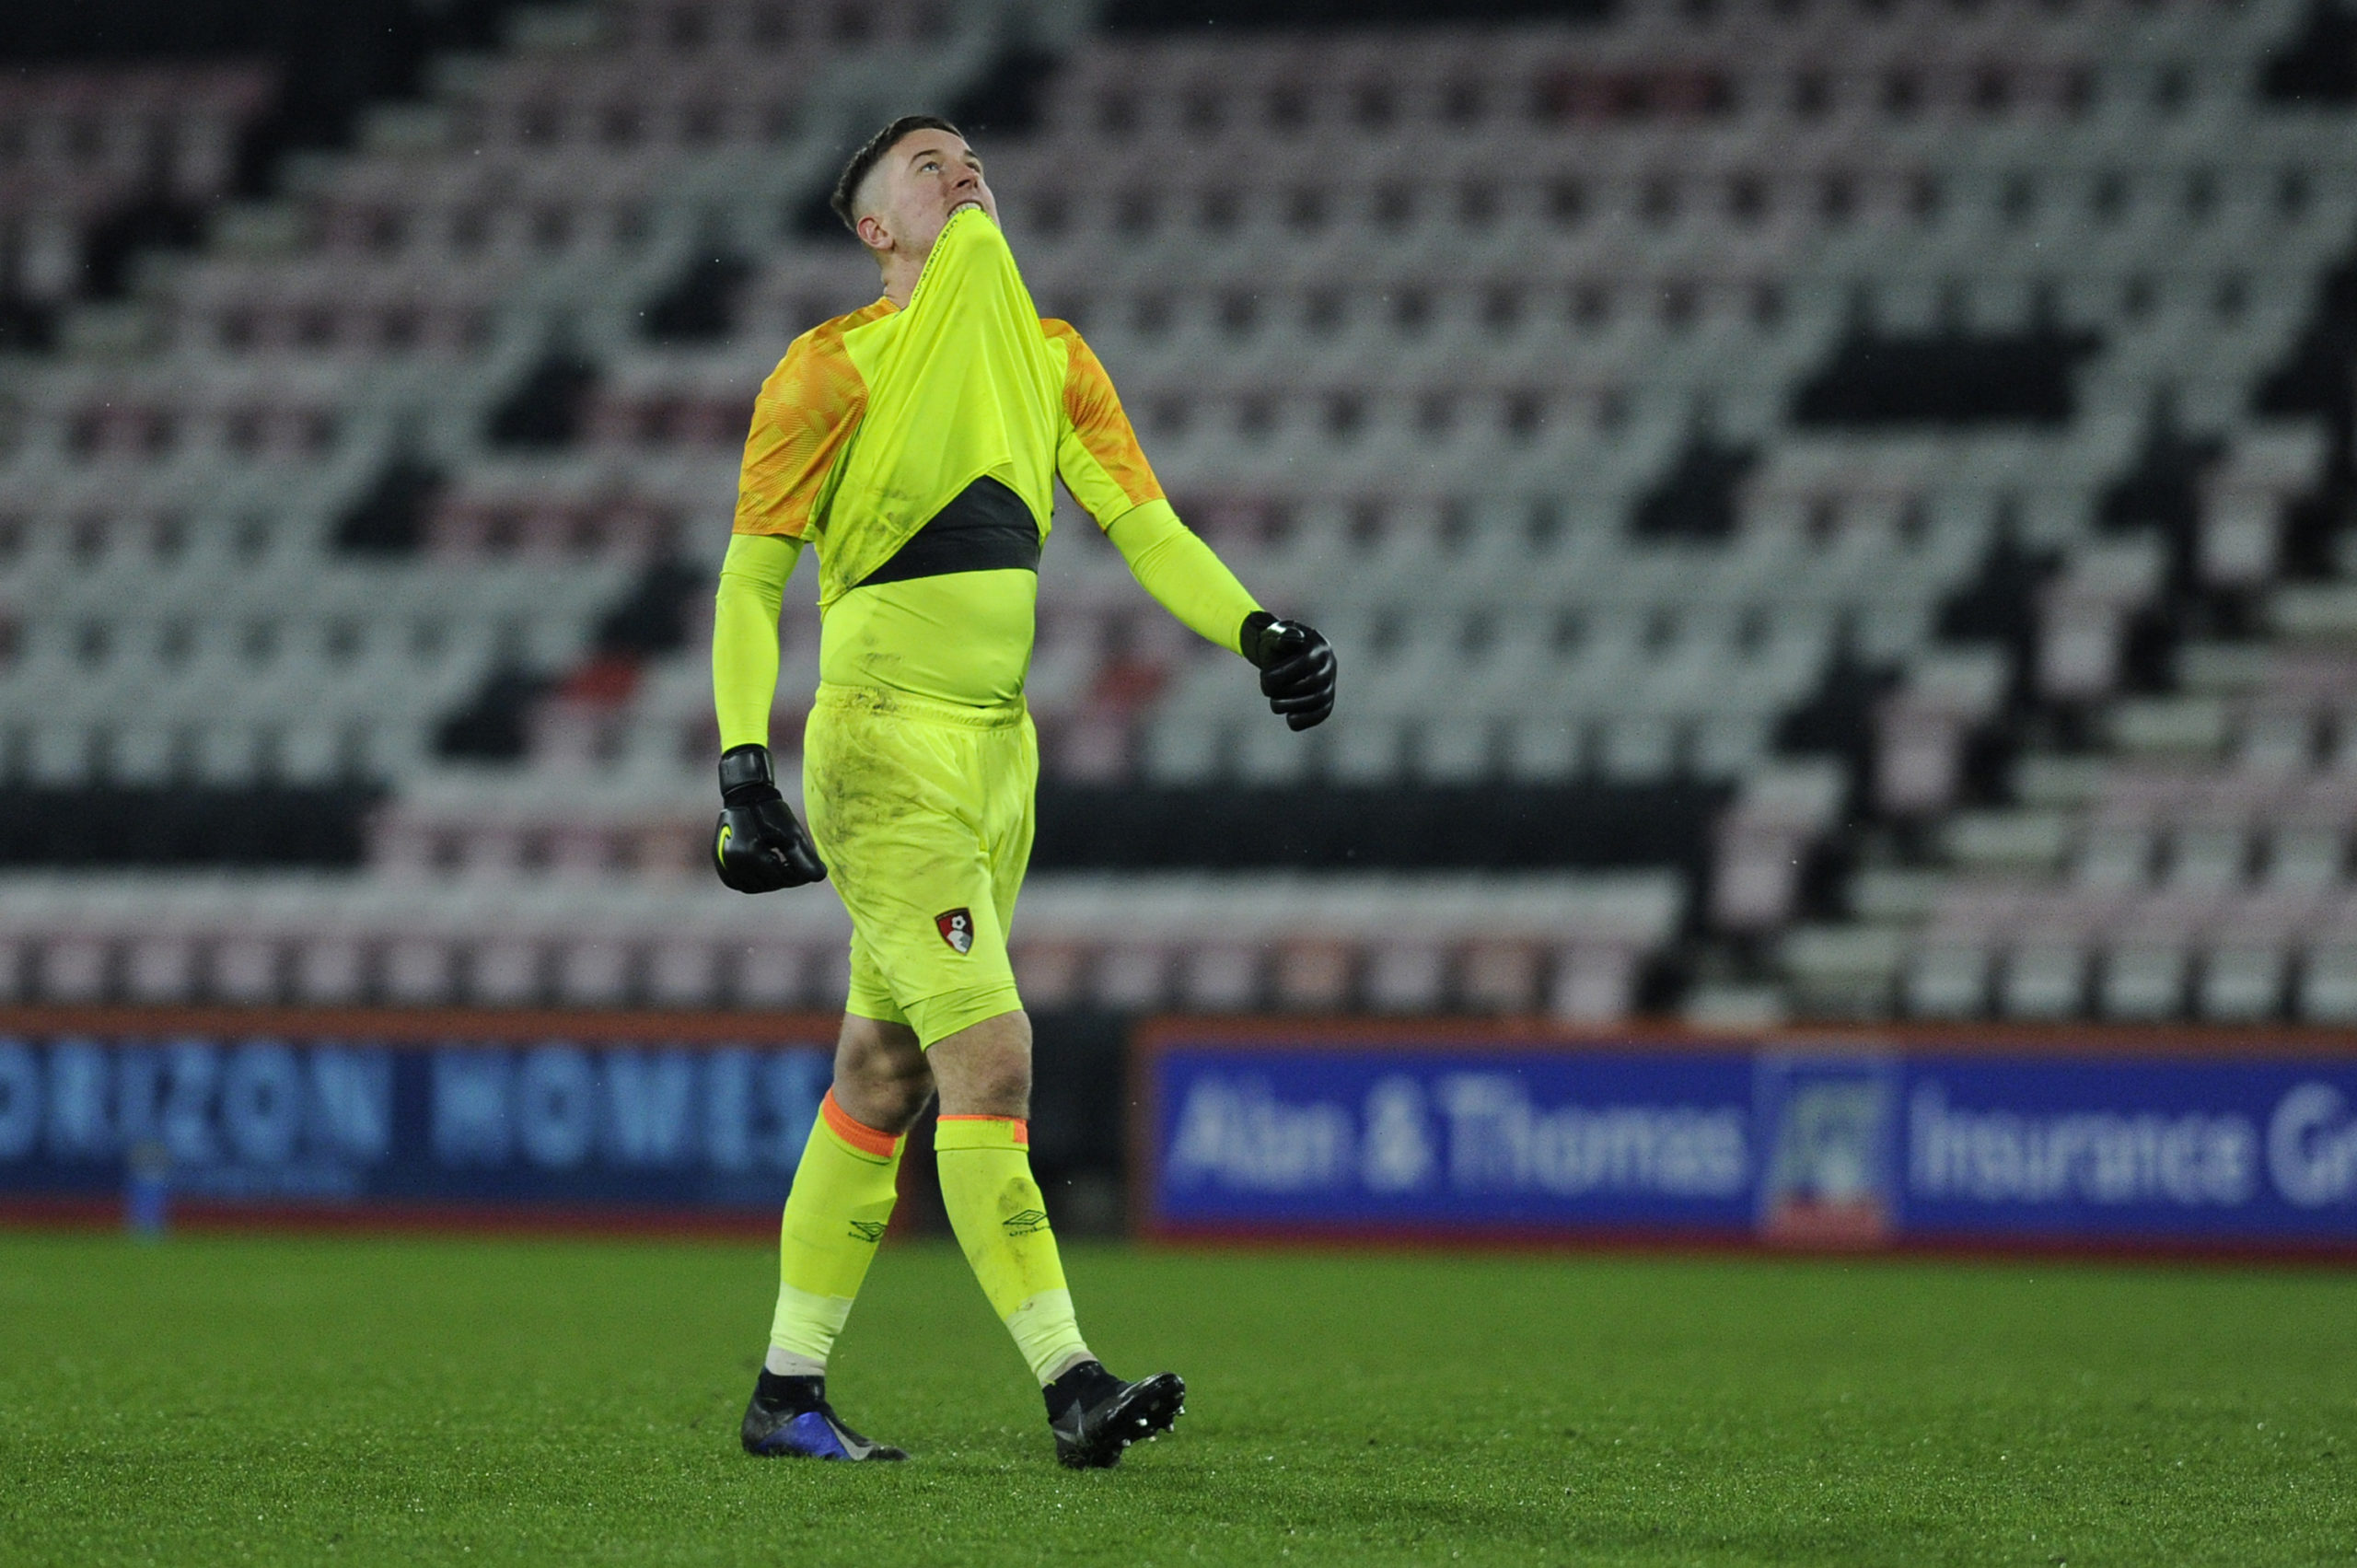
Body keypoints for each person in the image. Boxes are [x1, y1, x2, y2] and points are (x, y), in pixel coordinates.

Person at [707, 115, 1338, 1468]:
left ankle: (785, 1393)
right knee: (989, 1056)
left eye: (969, 155)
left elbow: (1144, 524)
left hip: (998, 757)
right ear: (875, 229)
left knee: (880, 1076)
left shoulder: (1050, 359)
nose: (961, 169)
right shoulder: (829, 369)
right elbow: (754, 574)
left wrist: (1254, 629)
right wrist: (740, 763)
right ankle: (1071, 1383)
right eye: (923, 166)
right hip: (882, 746)